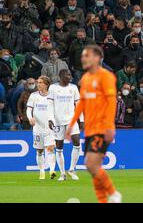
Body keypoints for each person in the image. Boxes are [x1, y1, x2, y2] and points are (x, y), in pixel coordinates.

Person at [66, 45, 122, 203]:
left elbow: (112, 102)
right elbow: (81, 104)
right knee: (93, 167)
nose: (83, 58)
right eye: (82, 56)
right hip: (89, 129)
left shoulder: (106, 76)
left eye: (86, 55)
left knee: (90, 164)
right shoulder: (85, 78)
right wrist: (71, 125)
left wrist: (110, 126)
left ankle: (113, 193)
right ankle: (104, 200)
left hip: (102, 127)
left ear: (97, 58)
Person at [48, 70, 82, 181]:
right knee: (59, 146)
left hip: (71, 120)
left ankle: (72, 169)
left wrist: (81, 119)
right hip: (58, 121)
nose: (70, 76)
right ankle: (62, 173)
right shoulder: (53, 88)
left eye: (70, 74)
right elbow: (50, 105)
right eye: (67, 75)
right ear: (61, 76)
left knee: (76, 141)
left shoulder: (73, 88)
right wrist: (50, 119)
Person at [26, 76, 56, 180]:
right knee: (39, 151)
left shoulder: (52, 96)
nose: (38, 84)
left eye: (41, 83)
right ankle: (42, 171)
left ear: (47, 84)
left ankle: (52, 171)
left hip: (49, 128)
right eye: (38, 82)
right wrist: (30, 118)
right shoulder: (33, 96)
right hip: (38, 128)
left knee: (51, 148)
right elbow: (29, 110)